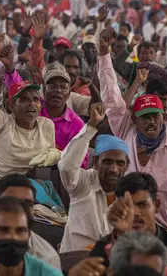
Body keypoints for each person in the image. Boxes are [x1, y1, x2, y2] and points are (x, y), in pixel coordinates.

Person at [98, 28, 167, 243]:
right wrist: (104, 55)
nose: (151, 121)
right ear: (134, 118)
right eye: (145, 117)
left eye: (155, 116)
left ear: (164, 117)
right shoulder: (126, 131)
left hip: (160, 231)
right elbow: (112, 97)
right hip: (121, 226)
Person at [0, 33, 55, 180]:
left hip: (32, 190)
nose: (31, 103)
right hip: (0, 187)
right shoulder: (3, 123)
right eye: (24, 99)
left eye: (35, 99)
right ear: (11, 105)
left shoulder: (47, 125)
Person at [58, 103, 130, 252]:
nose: (113, 169)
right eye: (107, 162)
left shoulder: (128, 194)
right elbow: (66, 166)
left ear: (127, 165)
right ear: (96, 162)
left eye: (120, 163)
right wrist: (91, 126)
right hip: (74, 260)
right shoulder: (82, 182)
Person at [89, 172, 167, 269]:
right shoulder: (102, 251)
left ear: (156, 205)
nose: (135, 213)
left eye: (142, 205)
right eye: (128, 206)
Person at [41, 62, 88, 158]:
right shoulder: (33, 114)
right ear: (44, 90)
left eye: (63, 87)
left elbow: (80, 160)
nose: (58, 90)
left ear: (69, 94)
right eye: (53, 86)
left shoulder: (77, 124)